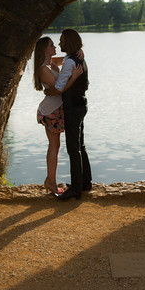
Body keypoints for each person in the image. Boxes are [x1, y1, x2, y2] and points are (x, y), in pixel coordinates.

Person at [45, 29, 92, 200]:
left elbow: (59, 88)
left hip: (73, 108)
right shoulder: (78, 59)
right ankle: (85, 183)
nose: (59, 43)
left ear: (69, 42)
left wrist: (48, 92)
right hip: (82, 105)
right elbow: (85, 84)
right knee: (81, 146)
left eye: (62, 41)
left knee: (73, 149)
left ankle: (76, 189)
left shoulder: (69, 63)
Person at [33, 36, 83, 194]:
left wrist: (78, 51)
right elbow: (59, 89)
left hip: (57, 109)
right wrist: (74, 78)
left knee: (56, 146)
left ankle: (50, 180)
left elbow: (68, 58)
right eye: (51, 45)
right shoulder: (43, 69)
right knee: (54, 146)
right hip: (50, 110)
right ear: (44, 50)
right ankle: (51, 182)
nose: (55, 47)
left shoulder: (52, 63)